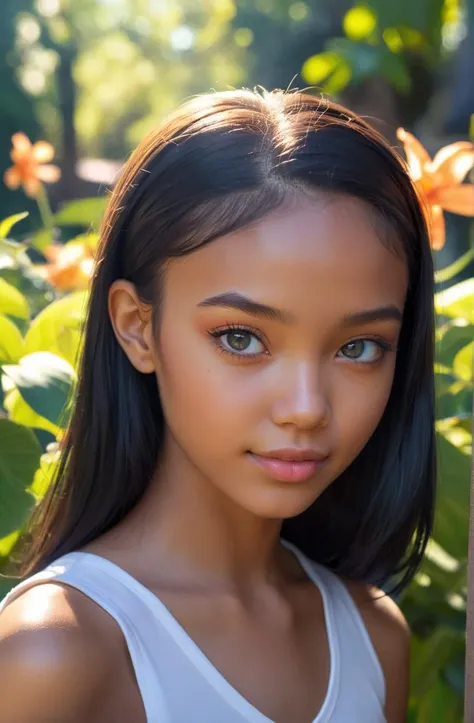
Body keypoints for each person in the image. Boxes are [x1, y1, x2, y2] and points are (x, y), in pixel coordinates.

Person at [0, 88, 435, 723]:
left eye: (360, 347)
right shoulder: (56, 651)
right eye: (242, 338)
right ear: (137, 327)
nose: (307, 408)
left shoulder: (375, 636)